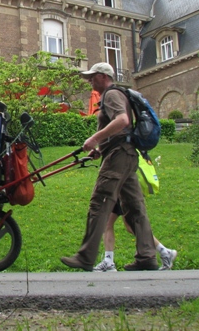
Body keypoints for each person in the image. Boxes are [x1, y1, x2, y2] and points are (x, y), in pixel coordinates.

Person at [61, 63, 158, 271]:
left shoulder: (111, 94)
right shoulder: (118, 94)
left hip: (119, 156)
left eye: (92, 77)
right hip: (125, 153)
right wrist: (101, 147)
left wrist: (96, 138)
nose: (89, 81)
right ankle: (147, 257)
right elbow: (122, 126)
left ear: (104, 76)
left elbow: (122, 120)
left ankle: (85, 257)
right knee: (135, 207)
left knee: (100, 201)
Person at [93, 200, 178, 271]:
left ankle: (165, 252)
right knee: (113, 224)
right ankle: (108, 261)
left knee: (128, 226)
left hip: (119, 189)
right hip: (119, 190)